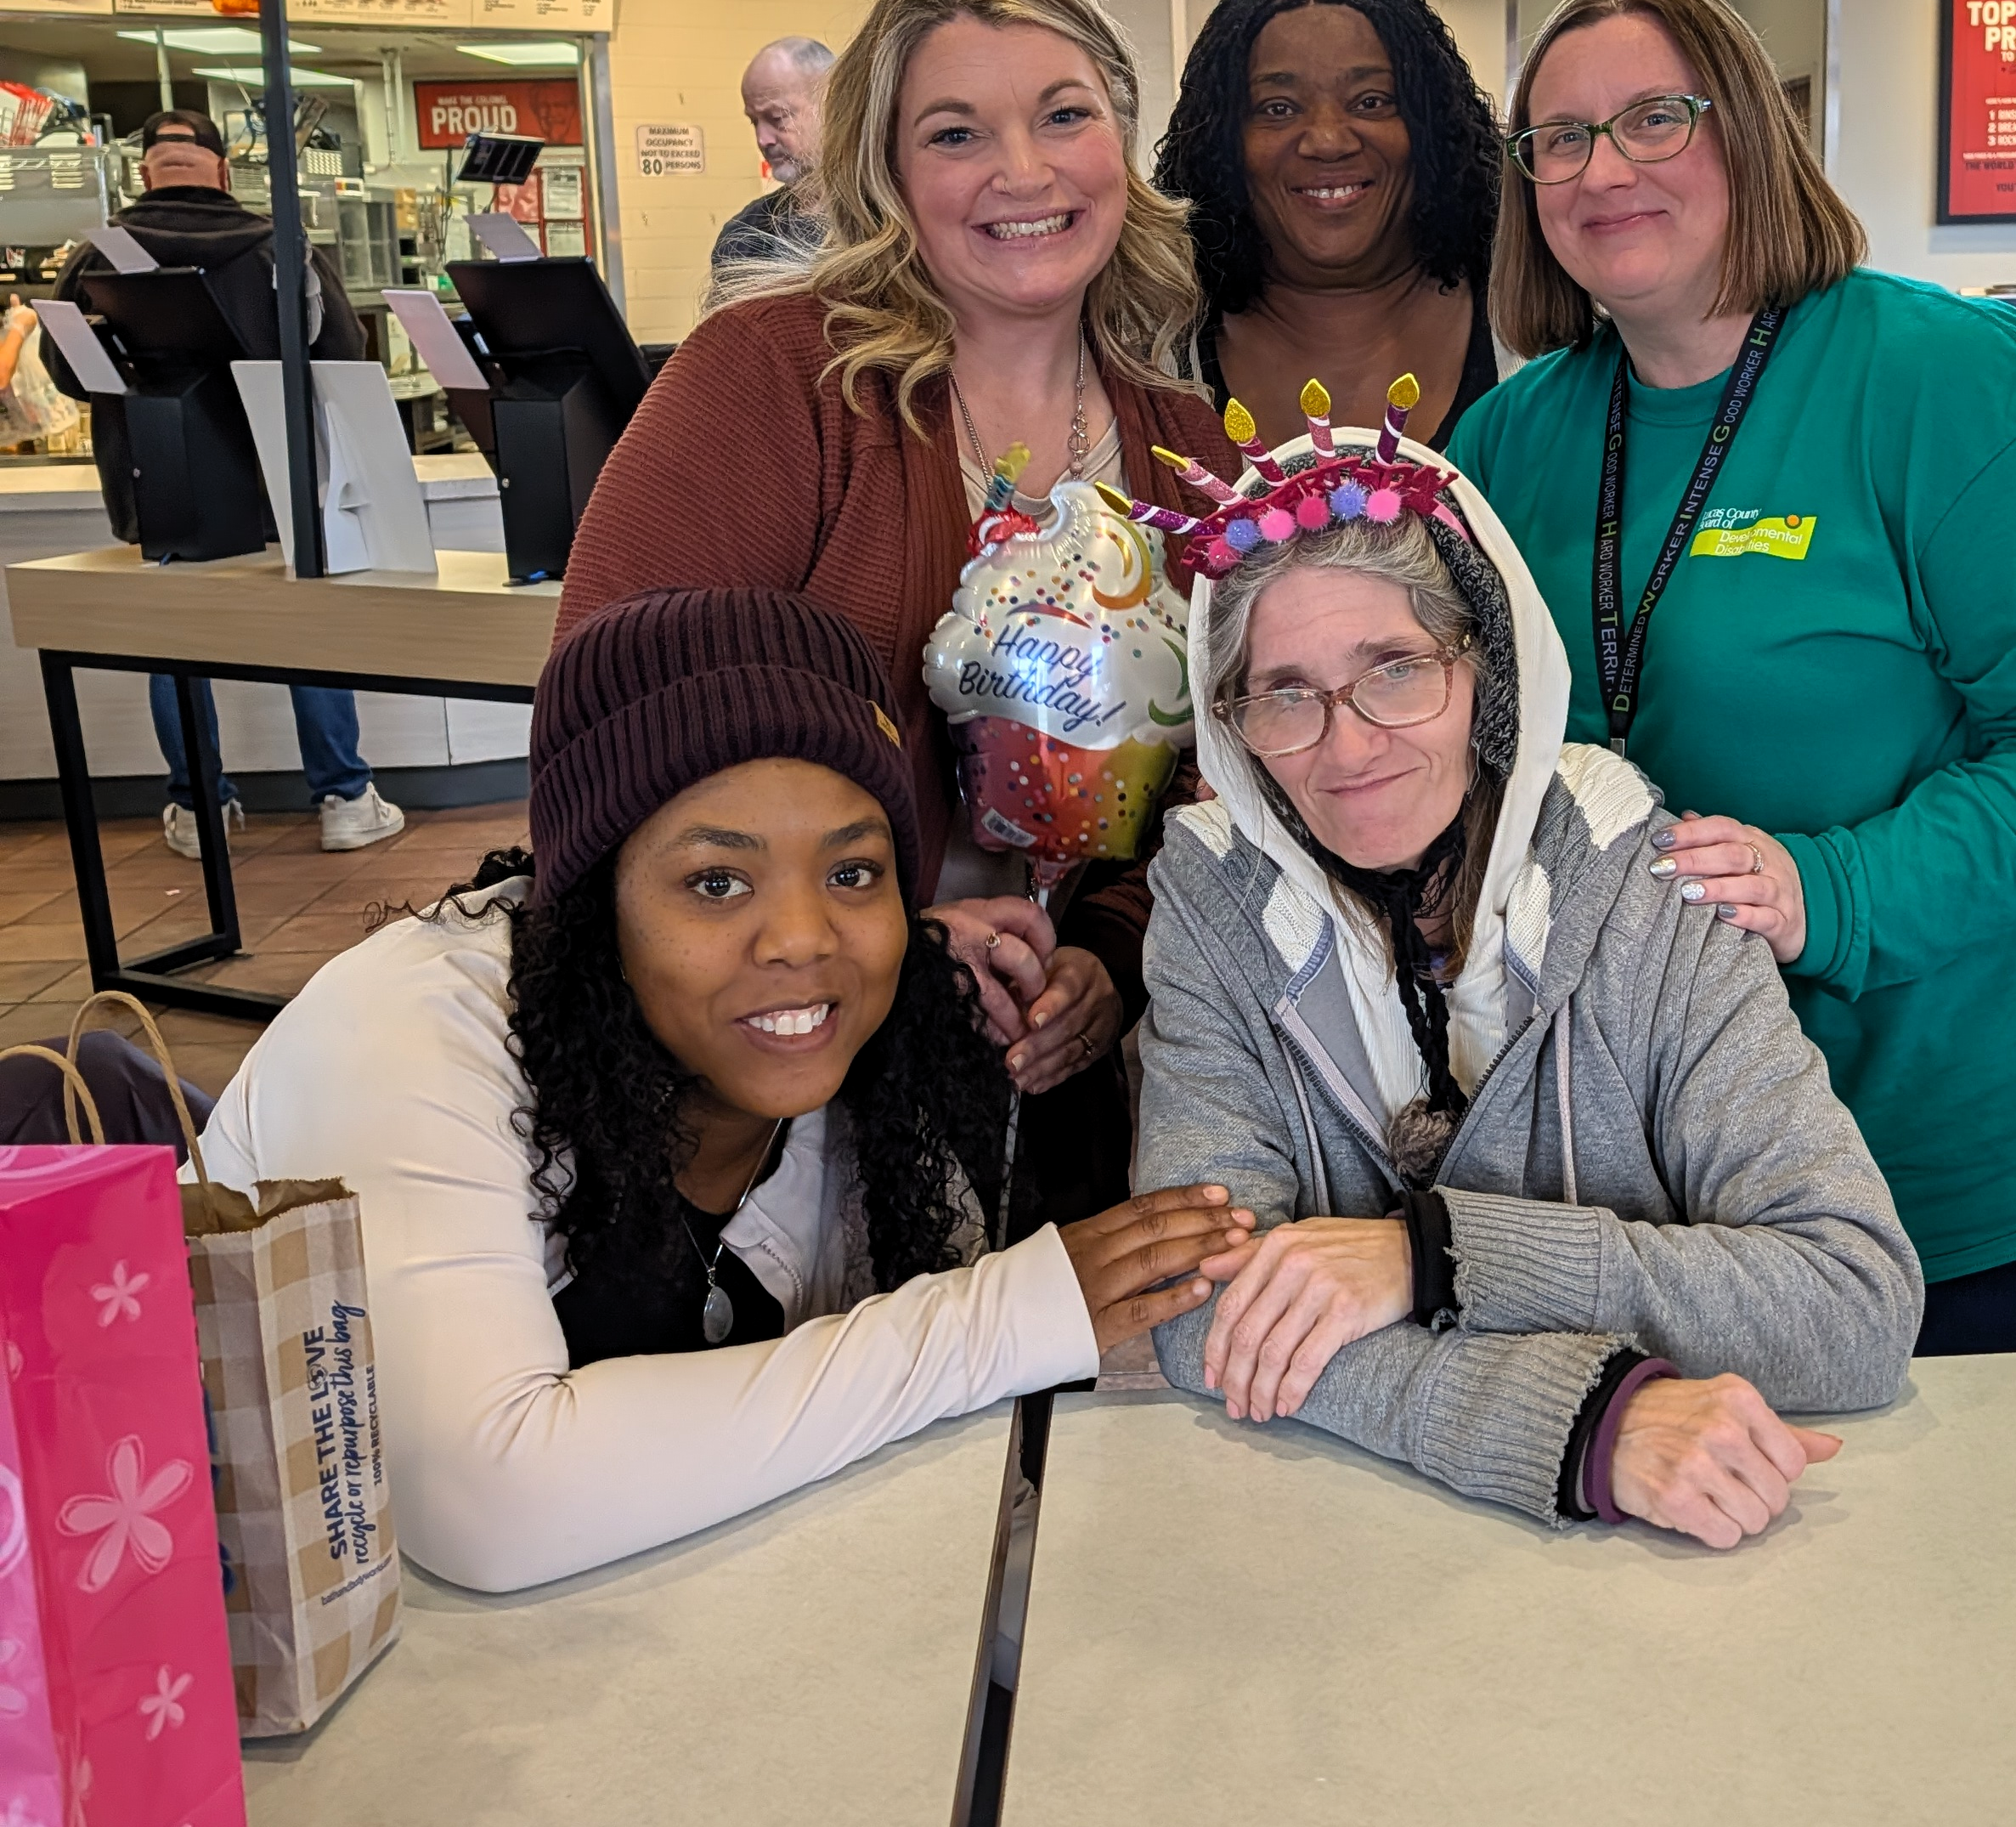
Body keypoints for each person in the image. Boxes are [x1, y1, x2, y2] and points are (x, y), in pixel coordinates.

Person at [1446, 0, 2016, 1389]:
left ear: (1746, 129)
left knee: (1927, 1589)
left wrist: (1828, 890)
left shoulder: (1960, 386)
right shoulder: (1512, 440)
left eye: (1652, 119)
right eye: (1556, 137)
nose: (1599, 167)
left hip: (1936, 1137)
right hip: (1639, 1159)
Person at [195, 587, 1254, 1593]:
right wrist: (1003, 1315)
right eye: (716, 881)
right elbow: (487, 1500)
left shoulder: (884, 1064)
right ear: (593, 894)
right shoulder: (406, 1028)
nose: (802, 939)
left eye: (853, 874)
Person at [1133, 398, 1919, 1545]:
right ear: (1233, 727)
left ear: (1490, 674)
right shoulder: (1212, 905)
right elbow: (1204, 1310)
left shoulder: (1653, 890)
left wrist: (1437, 1259)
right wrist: (1583, 1424)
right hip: (1354, 1539)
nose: (1348, 746)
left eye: (1395, 669)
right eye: (1284, 693)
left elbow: (1852, 1303)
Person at [560, 0, 1240, 1221]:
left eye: (1063, 115)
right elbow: (613, 747)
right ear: (885, 168)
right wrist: (887, 949)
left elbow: (1231, 779)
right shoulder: (767, 381)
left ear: (1121, 143)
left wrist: (1109, 954)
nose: (1024, 172)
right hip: (786, 1087)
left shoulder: (1190, 444)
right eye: (955, 133)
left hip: (1064, 1099)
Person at [46, 106, 404, 859]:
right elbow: (341, 351)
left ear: (146, 171)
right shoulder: (278, 246)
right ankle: (342, 797)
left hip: (159, 476)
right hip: (275, 473)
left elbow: (68, 374)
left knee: (172, 639)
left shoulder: (97, 255)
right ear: (218, 168)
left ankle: (199, 809)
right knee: (305, 627)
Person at [1155, 0, 1505, 446]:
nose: (1326, 141)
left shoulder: (1537, 332)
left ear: (1433, 127)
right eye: (1278, 108)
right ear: (1222, 142)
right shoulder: (1145, 358)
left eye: (1371, 101)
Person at [712, 36, 833, 273]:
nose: (762, 139)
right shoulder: (743, 237)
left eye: (777, 117)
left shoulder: (889, 218)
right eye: (754, 121)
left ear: (832, 103)